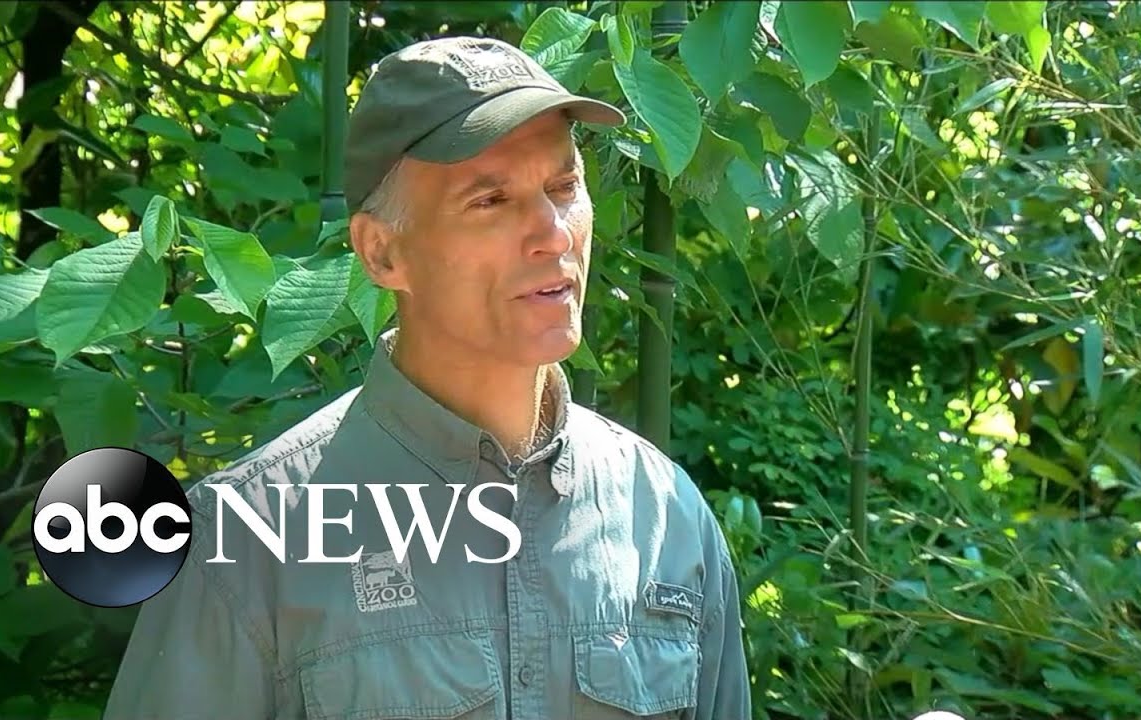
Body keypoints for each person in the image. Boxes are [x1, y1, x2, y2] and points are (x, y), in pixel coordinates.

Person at [102, 35, 752, 720]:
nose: (554, 234)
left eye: (564, 188)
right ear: (382, 253)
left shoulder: (663, 515)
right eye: (491, 201)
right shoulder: (248, 542)